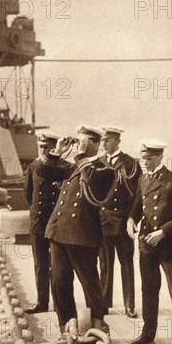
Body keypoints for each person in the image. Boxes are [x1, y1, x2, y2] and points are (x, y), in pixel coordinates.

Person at [43, 125, 116, 333]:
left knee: (90, 283)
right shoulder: (72, 166)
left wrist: (81, 155)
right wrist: (57, 151)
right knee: (59, 282)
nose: (79, 144)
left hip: (82, 235)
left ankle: (97, 323)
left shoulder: (105, 169)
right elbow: (45, 173)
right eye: (79, 140)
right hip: (58, 232)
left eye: (83, 140)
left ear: (96, 143)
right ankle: (66, 325)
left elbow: (93, 184)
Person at [127, 139, 172, 344]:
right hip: (146, 245)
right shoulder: (143, 180)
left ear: (160, 157)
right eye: (142, 158)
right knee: (149, 289)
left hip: (169, 245)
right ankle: (148, 332)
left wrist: (163, 231)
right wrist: (130, 220)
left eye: (148, 159)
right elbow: (136, 207)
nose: (144, 163)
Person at [98, 126, 142, 317]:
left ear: (117, 140)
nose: (103, 144)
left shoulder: (131, 163)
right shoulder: (98, 162)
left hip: (124, 222)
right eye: (102, 140)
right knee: (105, 265)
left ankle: (129, 305)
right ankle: (104, 303)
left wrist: (132, 218)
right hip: (104, 221)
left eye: (107, 140)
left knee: (127, 264)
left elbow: (138, 196)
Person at [24, 131, 66, 313]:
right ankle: (42, 302)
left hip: (56, 222)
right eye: (41, 147)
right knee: (40, 264)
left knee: (58, 266)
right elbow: (28, 192)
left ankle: (59, 303)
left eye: (47, 147)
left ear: (54, 148)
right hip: (38, 221)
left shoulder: (64, 166)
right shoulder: (33, 166)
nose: (43, 150)